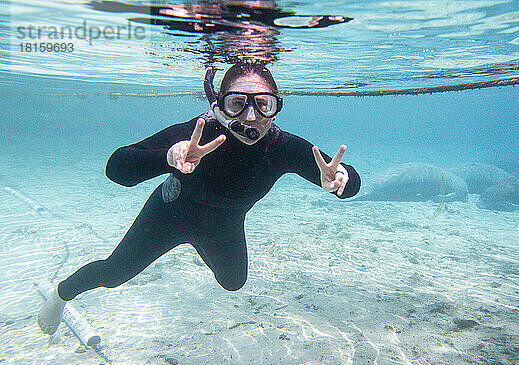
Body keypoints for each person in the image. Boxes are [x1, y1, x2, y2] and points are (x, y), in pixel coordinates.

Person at [38, 62, 361, 335]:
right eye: (237, 103)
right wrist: (166, 157)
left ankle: (199, 243)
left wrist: (341, 180)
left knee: (233, 282)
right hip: (167, 217)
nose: (250, 117)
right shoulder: (195, 132)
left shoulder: (283, 147)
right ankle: (60, 294)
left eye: (263, 104)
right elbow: (117, 169)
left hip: (223, 227)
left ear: (276, 107)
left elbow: (348, 182)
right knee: (112, 274)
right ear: (219, 106)